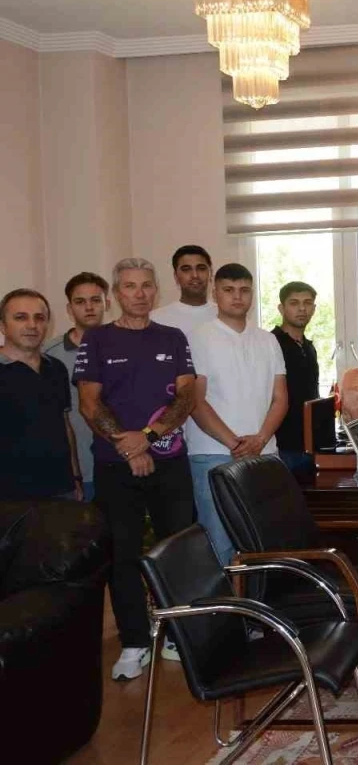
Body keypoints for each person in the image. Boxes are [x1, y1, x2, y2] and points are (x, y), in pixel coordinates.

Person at [75, 258, 197, 680]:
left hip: (170, 462)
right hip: (114, 465)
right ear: (116, 294)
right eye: (130, 286)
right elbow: (89, 403)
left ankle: (179, 635)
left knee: (176, 551)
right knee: (123, 555)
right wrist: (128, 447)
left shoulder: (173, 337)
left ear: (155, 290)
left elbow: (186, 397)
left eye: (146, 285)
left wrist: (149, 435)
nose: (140, 293)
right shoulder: (97, 339)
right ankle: (134, 642)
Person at [187, 264, 288, 566]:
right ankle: (223, 600)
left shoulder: (267, 339)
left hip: (264, 453)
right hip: (214, 454)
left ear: (252, 294)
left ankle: (260, 599)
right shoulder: (198, 337)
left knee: (265, 540)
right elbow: (195, 402)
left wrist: (259, 440)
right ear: (215, 293)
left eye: (244, 290)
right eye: (228, 290)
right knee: (220, 543)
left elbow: (280, 399)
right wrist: (236, 444)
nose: (237, 296)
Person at [0, 289, 81, 501]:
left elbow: (65, 425)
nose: (32, 325)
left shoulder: (57, 368)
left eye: (39, 318)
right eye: (21, 317)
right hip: (8, 499)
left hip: (61, 491)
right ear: (2, 326)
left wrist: (75, 477)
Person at [44, 272, 110, 501]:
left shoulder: (124, 347)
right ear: (69, 309)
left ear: (107, 303)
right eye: (80, 301)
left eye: (95, 300)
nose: (89, 307)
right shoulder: (48, 355)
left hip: (119, 464)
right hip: (73, 472)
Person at [272, 281, 320, 478]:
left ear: (314, 309)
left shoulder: (308, 347)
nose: (302, 309)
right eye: (294, 303)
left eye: (307, 303)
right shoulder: (270, 343)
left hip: (308, 444)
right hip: (280, 445)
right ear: (281, 308)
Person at [150, 245, 217, 338]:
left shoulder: (226, 316)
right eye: (186, 269)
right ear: (176, 276)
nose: (195, 275)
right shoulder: (155, 319)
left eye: (201, 268)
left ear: (211, 273)